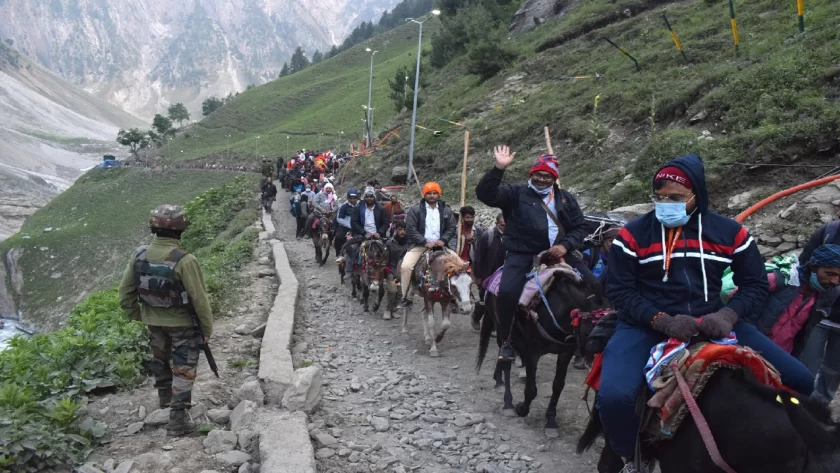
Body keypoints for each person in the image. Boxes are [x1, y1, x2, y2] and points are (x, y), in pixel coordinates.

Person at [598, 154, 814, 472]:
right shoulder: (632, 236)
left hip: (713, 321)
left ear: (697, 194)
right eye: (659, 198)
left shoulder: (730, 233)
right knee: (614, 397)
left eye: (675, 198)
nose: (665, 204)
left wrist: (727, 316)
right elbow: (620, 291)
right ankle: (630, 456)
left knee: (801, 379)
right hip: (646, 324)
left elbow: (754, 284)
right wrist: (662, 320)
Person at [476, 147, 594, 362]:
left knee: (594, 285)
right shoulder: (515, 194)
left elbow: (580, 227)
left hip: (560, 252)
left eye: (546, 175)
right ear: (531, 174)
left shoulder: (565, 199)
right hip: (523, 254)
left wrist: (565, 246)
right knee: (508, 292)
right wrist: (498, 168)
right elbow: (486, 194)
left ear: (554, 178)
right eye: (537, 174)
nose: (541, 179)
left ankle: (588, 339)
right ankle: (507, 341)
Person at [117, 205, 213, 437]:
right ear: (181, 230)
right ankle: (177, 421)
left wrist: (141, 316)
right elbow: (199, 299)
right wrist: (207, 328)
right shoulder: (185, 260)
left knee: (160, 364)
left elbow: (125, 293)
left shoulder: (139, 254)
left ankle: (164, 404)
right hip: (183, 325)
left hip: (153, 322)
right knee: (184, 370)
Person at [396, 182, 458, 309]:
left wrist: (443, 240)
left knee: (459, 264)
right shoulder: (415, 210)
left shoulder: (446, 210)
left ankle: (456, 296)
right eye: (429, 193)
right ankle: (406, 297)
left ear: (439, 194)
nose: (432, 196)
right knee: (406, 266)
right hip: (420, 245)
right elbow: (411, 228)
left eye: (435, 193)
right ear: (424, 195)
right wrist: (424, 242)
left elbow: (452, 227)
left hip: (441, 245)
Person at [796, 244, 840, 403]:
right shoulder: (829, 232)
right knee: (806, 367)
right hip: (818, 316)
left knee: (834, 371)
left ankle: (818, 409)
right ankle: (798, 404)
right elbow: (806, 264)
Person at [472, 213, 506, 330]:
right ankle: (476, 316)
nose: (506, 228)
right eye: (503, 225)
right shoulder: (487, 237)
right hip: (487, 276)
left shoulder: (513, 238)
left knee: (498, 301)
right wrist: (478, 277)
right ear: (497, 224)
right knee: (485, 301)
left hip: (504, 275)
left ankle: (493, 326)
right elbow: (478, 258)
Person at [384, 222, 410, 320]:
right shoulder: (390, 243)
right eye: (400, 229)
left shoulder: (410, 244)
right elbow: (385, 259)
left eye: (404, 229)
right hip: (392, 271)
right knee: (392, 290)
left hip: (404, 273)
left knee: (400, 292)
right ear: (396, 230)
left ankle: (394, 310)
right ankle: (387, 309)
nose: (402, 232)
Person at [335, 188, 360, 257]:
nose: (352, 200)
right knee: (338, 238)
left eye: (354, 198)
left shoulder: (361, 205)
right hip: (346, 226)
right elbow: (339, 218)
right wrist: (350, 225)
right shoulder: (344, 206)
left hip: (359, 226)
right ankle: (339, 254)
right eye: (350, 198)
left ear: (357, 198)